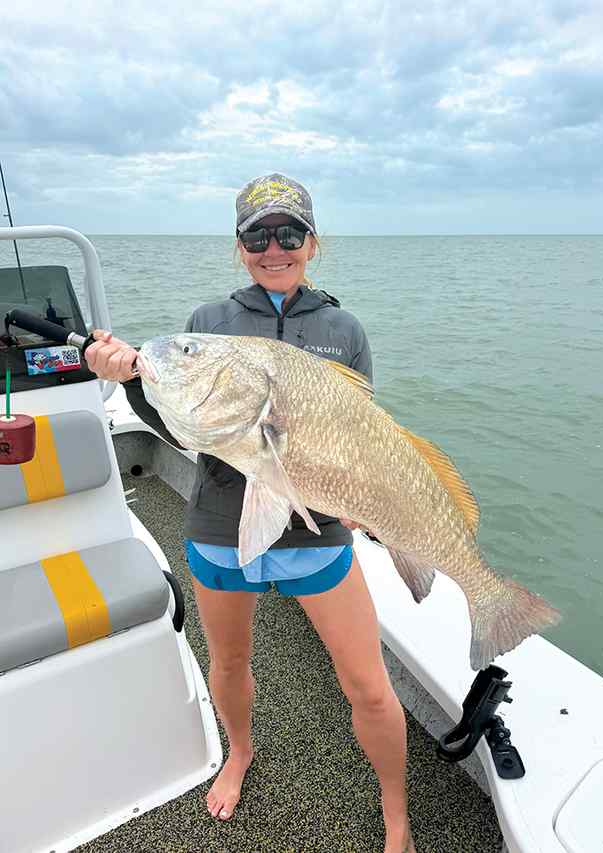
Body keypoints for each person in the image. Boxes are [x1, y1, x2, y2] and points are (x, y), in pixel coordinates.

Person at [85, 173, 416, 853]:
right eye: (257, 234)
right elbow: (184, 433)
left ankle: (398, 811)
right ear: (239, 246)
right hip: (219, 529)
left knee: (370, 687)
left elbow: (359, 432)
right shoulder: (207, 325)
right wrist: (131, 385)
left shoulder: (344, 328)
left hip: (316, 535)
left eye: (288, 232)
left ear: (312, 243)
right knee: (229, 662)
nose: (274, 247)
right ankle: (240, 749)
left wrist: (365, 503)